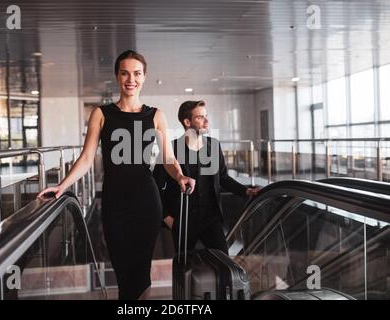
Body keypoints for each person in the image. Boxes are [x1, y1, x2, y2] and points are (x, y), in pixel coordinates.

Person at [37, 50, 195, 300]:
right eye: (125, 73)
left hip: (146, 202)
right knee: (123, 274)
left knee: (142, 274)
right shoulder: (102, 114)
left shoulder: (156, 115)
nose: (131, 79)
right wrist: (62, 186)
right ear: (117, 76)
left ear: (144, 77)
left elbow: (168, 159)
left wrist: (180, 176)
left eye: (137, 73)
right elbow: (87, 158)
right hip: (115, 205)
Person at [153, 100, 259, 255]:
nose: (207, 121)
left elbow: (223, 178)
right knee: (185, 269)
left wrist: (246, 191)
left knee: (223, 263)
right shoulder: (171, 149)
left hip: (211, 219)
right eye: (200, 117)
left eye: (206, 116)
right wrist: (167, 218)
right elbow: (155, 186)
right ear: (187, 122)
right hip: (184, 221)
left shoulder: (214, 146)